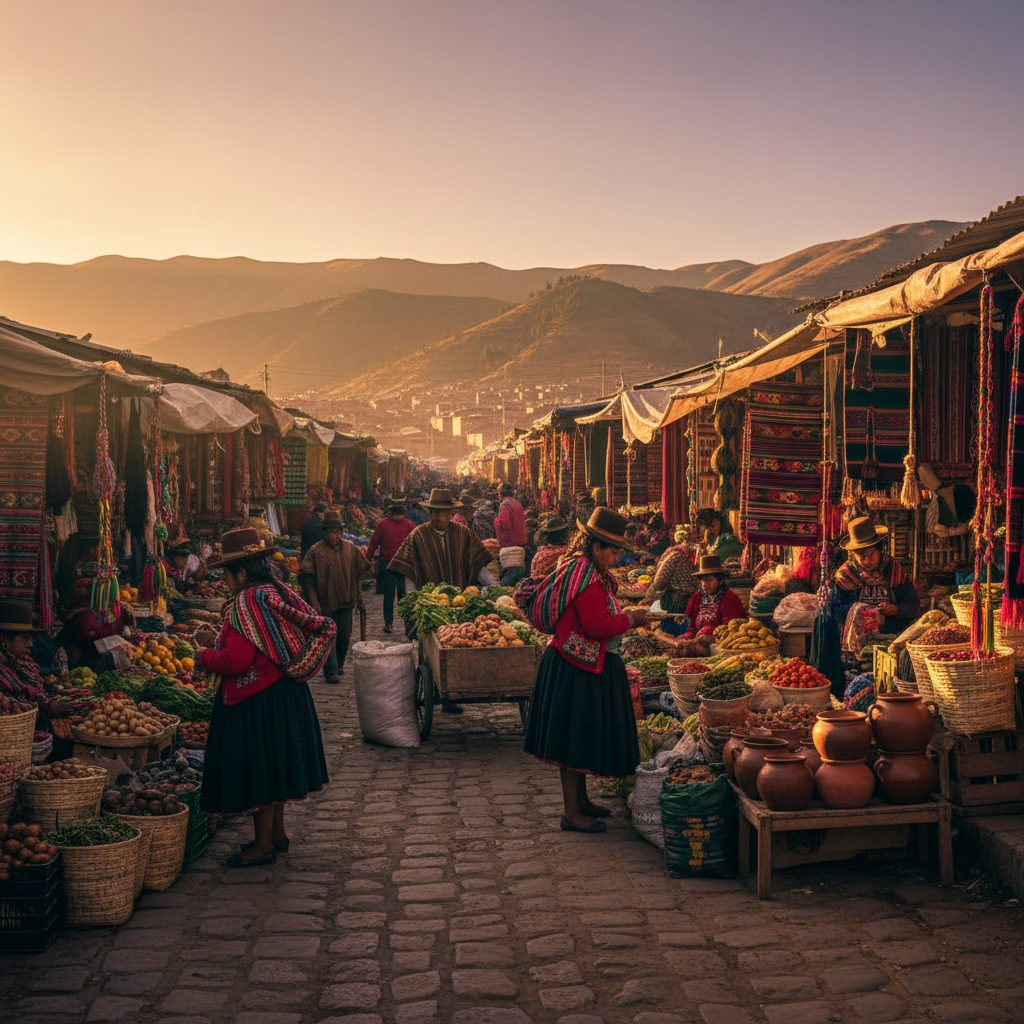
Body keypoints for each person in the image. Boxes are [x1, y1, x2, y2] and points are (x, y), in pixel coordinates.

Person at [197, 528, 334, 867]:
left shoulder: (245, 603)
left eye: (227, 575)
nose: (226, 582)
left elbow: (236, 661)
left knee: (261, 773)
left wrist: (203, 655)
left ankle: (262, 846)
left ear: (241, 573)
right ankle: (277, 834)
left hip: (259, 699)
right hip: (287, 695)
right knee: (276, 768)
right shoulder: (276, 590)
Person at [521, 508, 650, 833]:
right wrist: (631, 620)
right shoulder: (587, 579)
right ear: (596, 547)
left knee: (577, 739)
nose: (616, 559)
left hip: (579, 662)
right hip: (574, 666)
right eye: (613, 551)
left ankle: (582, 801)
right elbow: (596, 626)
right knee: (572, 741)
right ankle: (571, 812)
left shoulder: (582, 570)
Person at [299, 510, 372, 684]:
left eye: (339, 532)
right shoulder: (316, 551)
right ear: (325, 532)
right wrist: (314, 601)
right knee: (328, 636)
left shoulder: (350, 547)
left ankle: (339, 665)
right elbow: (308, 577)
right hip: (325, 602)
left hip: (346, 599)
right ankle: (330, 670)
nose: (337, 536)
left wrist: (359, 596)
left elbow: (358, 572)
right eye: (333, 532)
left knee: (344, 635)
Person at [388, 489, 497, 593]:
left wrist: (495, 586)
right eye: (436, 513)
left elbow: (478, 566)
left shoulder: (464, 534)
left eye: (444, 513)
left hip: (459, 599)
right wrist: (413, 596)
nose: (440, 518)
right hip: (428, 599)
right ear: (430, 512)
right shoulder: (418, 535)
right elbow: (408, 570)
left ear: (451, 513)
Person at [834, 517, 919, 645]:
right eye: (862, 556)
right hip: (855, 641)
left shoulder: (894, 570)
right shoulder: (845, 575)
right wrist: (861, 612)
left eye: (871, 554)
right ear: (854, 554)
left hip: (891, 638)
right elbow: (835, 609)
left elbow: (913, 604)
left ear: (879, 550)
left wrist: (896, 609)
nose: (867, 560)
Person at [366, 500, 415, 634]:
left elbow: (373, 543)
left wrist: (367, 560)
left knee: (389, 593)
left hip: (387, 562)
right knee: (402, 592)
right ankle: (407, 622)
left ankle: (389, 623)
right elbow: (417, 543)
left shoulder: (383, 524)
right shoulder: (409, 524)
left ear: (391, 513)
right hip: (402, 562)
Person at [680, 555, 745, 640]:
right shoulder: (697, 597)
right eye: (703, 580)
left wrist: (707, 637)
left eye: (709, 580)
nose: (705, 584)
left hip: (720, 642)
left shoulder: (731, 599)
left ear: (720, 581)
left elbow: (731, 630)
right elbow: (688, 624)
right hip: (696, 641)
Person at [0, 600, 46, 703]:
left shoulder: (24, 665)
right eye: (24, 638)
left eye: (30, 639)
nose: (30, 644)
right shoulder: (3, 672)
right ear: (4, 639)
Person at [495, 484, 527, 548]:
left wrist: (496, 521)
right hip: (520, 539)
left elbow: (504, 524)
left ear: (500, 494)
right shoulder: (517, 503)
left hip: (510, 542)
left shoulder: (505, 504)